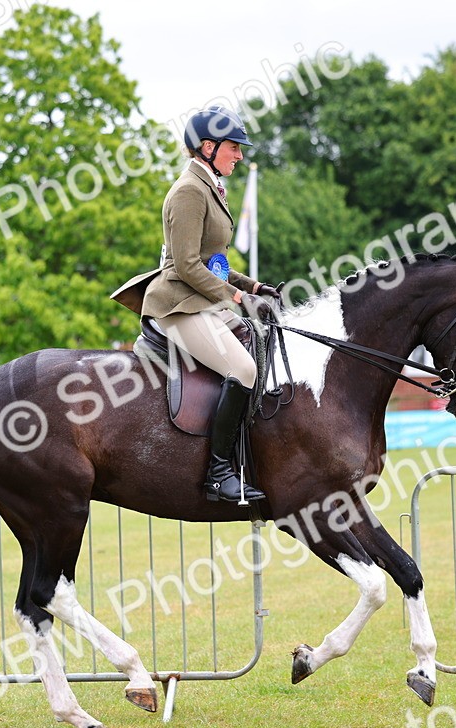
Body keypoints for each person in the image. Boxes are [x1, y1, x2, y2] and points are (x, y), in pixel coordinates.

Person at [110, 105, 280, 503]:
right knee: (242, 368)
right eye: (234, 148)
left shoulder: (208, 186)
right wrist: (238, 298)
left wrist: (254, 285)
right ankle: (219, 474)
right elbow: (186, 266)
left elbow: (212, 263)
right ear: (208, 146)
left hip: (201, 301)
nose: (239, 155)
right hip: (177, 306)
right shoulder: (188, 190)